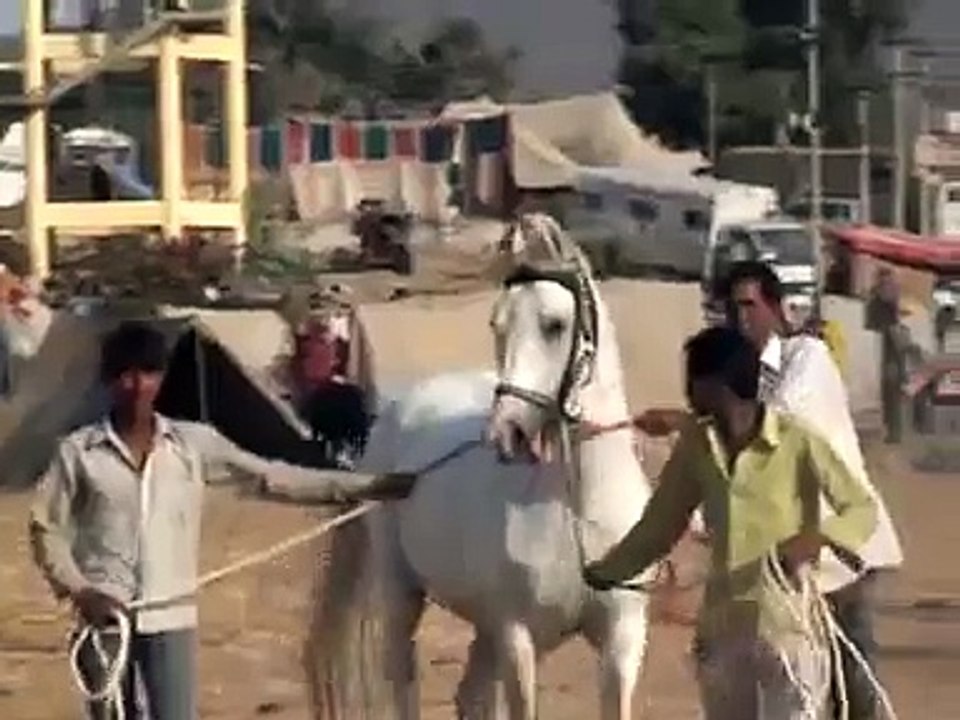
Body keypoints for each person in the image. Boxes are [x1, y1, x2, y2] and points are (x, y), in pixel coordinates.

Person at [28, 320, 391, 720]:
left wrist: (371, 486)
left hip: (171, 615)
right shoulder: (78, 452)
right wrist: (80, 591)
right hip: (105, 620)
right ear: (108, 381)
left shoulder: (191, 444)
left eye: (147, 373)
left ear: (161, 378)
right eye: (125, 375)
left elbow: (273, 477)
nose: (137, 386)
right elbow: (47, 528)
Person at [640, 261, 903, 720]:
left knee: (856, 687)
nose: (741, 318)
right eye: (732, 309)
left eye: (750, 306)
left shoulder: (808, 357)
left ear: (777, 309)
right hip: (773, 566)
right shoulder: (734, 380)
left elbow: (779, 419)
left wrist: (686, 421)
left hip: (837, 553)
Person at [584, 326, 878, 720]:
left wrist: (817, 538)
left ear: (717, 384)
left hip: (788, 631)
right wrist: (604, 573)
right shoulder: (697, 448)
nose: (688, 392)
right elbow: (660, 525)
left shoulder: (796, 441)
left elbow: (861, 508)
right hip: (723, 634)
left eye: (693, 379)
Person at [864, 268, 907, 444]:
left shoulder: (879, 302)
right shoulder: (883, 304)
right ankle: (893, 431)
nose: (892, 287)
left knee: (891, 394)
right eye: (888, 283)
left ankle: (894, 431)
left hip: (888, 355)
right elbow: (891, 330)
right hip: (887, 354)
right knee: (890, 394)